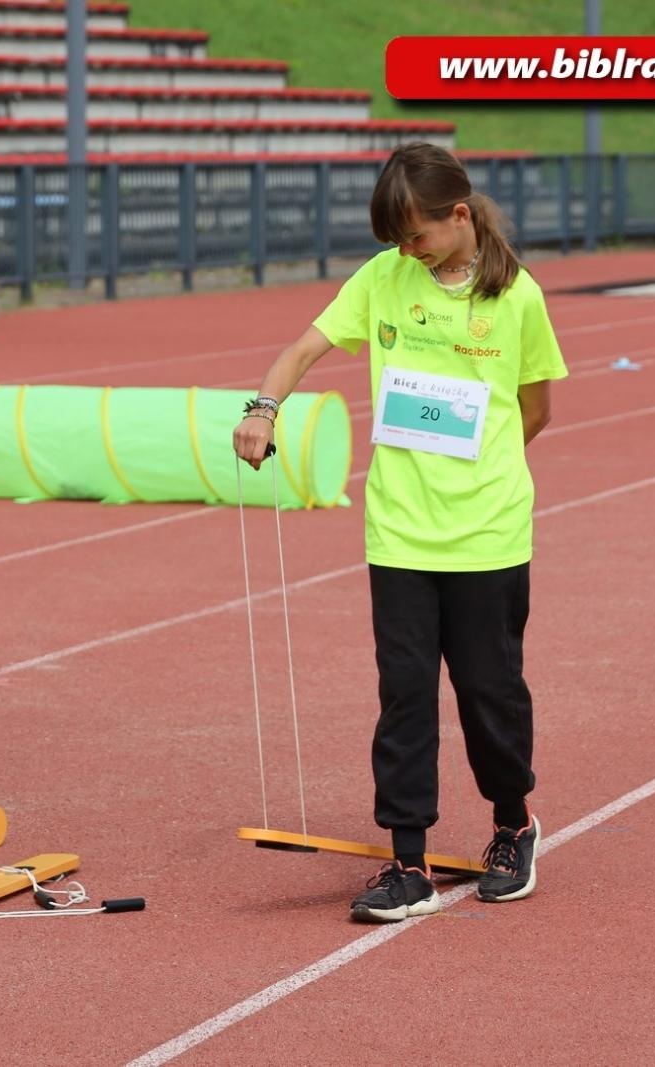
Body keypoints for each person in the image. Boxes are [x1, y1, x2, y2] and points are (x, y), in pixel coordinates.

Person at [233, 142, 567, 922]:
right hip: (398, 533)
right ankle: (408, 860)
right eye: (397, 240)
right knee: (405, 696)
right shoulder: (383, 279)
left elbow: (536, 410)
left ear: (460, 216)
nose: (408, 251)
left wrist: (479, 472)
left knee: (488, 692)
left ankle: (513, 824)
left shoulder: (518, 297)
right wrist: (262, 409)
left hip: (486, 532)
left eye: (417, 235)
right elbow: (303, 349)